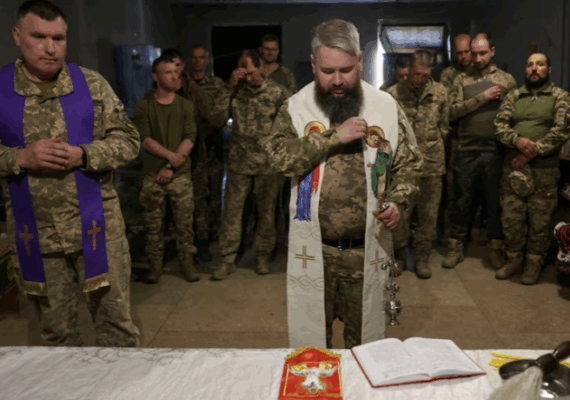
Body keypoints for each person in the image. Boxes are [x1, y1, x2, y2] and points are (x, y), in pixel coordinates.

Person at [263, 19, 422, 349]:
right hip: (314, 251)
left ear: (360, 61)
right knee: (312, 351)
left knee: (365, 349)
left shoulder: (386, 106)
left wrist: (398, 201)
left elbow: (410, 164)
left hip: (366, 252)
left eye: (346, 70)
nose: (337, 81)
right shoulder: (296, 108)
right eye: (327, 71)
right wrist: (334, 137)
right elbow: (278, 158)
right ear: (313, 63)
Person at [0, 0, 140, 346]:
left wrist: (85, 154)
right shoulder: (1, 89)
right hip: (36, 237)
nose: (50, 48)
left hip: (97, 230)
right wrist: (19, 157)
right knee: (56, 336)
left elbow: (129, 141)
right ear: (17, 36)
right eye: (39, 37)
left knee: (117, 330)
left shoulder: (91, 84)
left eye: (58, 38)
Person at [211, 49, 289, 280]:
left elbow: (290, 124)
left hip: (267, 165)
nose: (247, 77)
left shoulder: (277, 93)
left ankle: (263, 256)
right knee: (232, 213)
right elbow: (216, 119)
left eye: (250, 71)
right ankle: (227, 258)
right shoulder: (235, 91)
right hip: (239, 163)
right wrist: (229, 87)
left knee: (267, 213)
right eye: (242, 72)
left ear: (262, 67)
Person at [494, 53, 570, 284]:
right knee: (511, 218)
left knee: (540, 220)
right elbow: (499, 125)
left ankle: (534, 262)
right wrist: (517, 141)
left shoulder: (560, 97)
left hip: (544, 171)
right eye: (530, 65)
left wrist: (530, 152)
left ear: (549, 69)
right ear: (525, 70)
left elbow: (562, 130)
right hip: (514, 170)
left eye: (540, 64)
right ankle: (514, 259)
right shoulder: (514, 96)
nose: (534, 68)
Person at [444, 32, 517, 270]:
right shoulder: (461, 79)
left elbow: (514, 115)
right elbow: (452, 112)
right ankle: (455, 247)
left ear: (492, 51)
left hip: (495, 150)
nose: (477, 58)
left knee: (494, 203)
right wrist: (482, 98)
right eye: (474, 53)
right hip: (466, 149)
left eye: (482, 53)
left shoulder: (506, 80)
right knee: (461, 202)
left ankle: (495, 249)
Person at [134, 55, 197, 284]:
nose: (174, 76)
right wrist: (170, 157)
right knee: (153, 226)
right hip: (153, 175)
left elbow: (190, 137)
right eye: (168, 72)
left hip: (179, 175)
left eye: (176, 71)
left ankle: (187, 263)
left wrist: (170, 165)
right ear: (156, 77)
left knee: (184, 225)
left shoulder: (185, 106)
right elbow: (145, 138)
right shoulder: (144, 106)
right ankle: (155, 266)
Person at [388, 49, 449, 279]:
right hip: (402, 168)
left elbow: (444, 127)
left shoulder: (440, 93)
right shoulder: (393, 94)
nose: (421, 79)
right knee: (400, 216)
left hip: (431, 166)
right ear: (409, 69)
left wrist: (431, 146)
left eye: (425, 75)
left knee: (428, 216)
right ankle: (399, 256)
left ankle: (422, 258)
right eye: (416, 74)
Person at [190, 44, 228, 253]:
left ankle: (214, 232)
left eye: (201, 58)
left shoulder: (216, 84)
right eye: (194, 57)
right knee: (196, 195)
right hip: (192, 148)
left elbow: (220, 115)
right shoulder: (184, 84)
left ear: (207, 61)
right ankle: (200, 236)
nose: (197, 61)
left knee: (214, 193)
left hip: (213, 146)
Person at [440, 34, 471, 241]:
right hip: (453, 138)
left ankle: (473, 230)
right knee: (452, 187)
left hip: (476, 137)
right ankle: (449, 232)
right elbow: (447, 109)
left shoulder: (480, 72)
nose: (463, 56)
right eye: (459, 53)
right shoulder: (448, 74)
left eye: (466, 51)